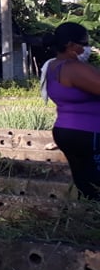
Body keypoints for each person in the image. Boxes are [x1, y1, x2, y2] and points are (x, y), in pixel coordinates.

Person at [43, 22, 100, 199]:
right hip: (89, 133)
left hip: (65, 131)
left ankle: (88, 216)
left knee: (84, 181)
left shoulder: (52, 67)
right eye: (83, 43)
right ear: (70, 45)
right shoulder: (74, 68)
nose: (86, 48)